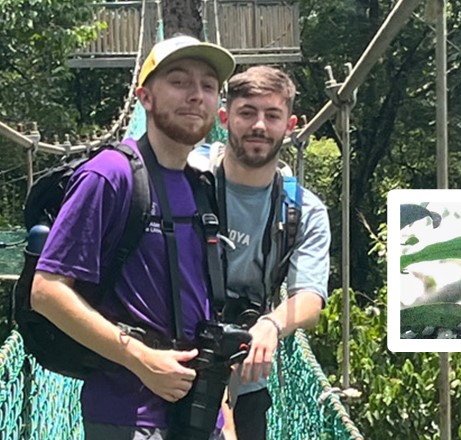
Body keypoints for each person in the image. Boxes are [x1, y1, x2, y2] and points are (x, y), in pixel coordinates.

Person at [30, 35, 235, 439]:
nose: (196, 96)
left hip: (200, 417)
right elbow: (46, 291)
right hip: (129, 416)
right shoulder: (111, 174)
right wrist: (141, 359)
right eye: (178, 82)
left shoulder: (202, 187)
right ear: (144, 97)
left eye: (208, 86)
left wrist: (223, 420)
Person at [216, 66, 331, 439]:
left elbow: (310, 299)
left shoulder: (303, 209)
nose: (259, 126)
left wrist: (270, 324)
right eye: (247, 112)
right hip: (172, 366)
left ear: (291, 124)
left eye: (272, 115)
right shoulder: (188, 180)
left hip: (248, 372)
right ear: (225, 118)